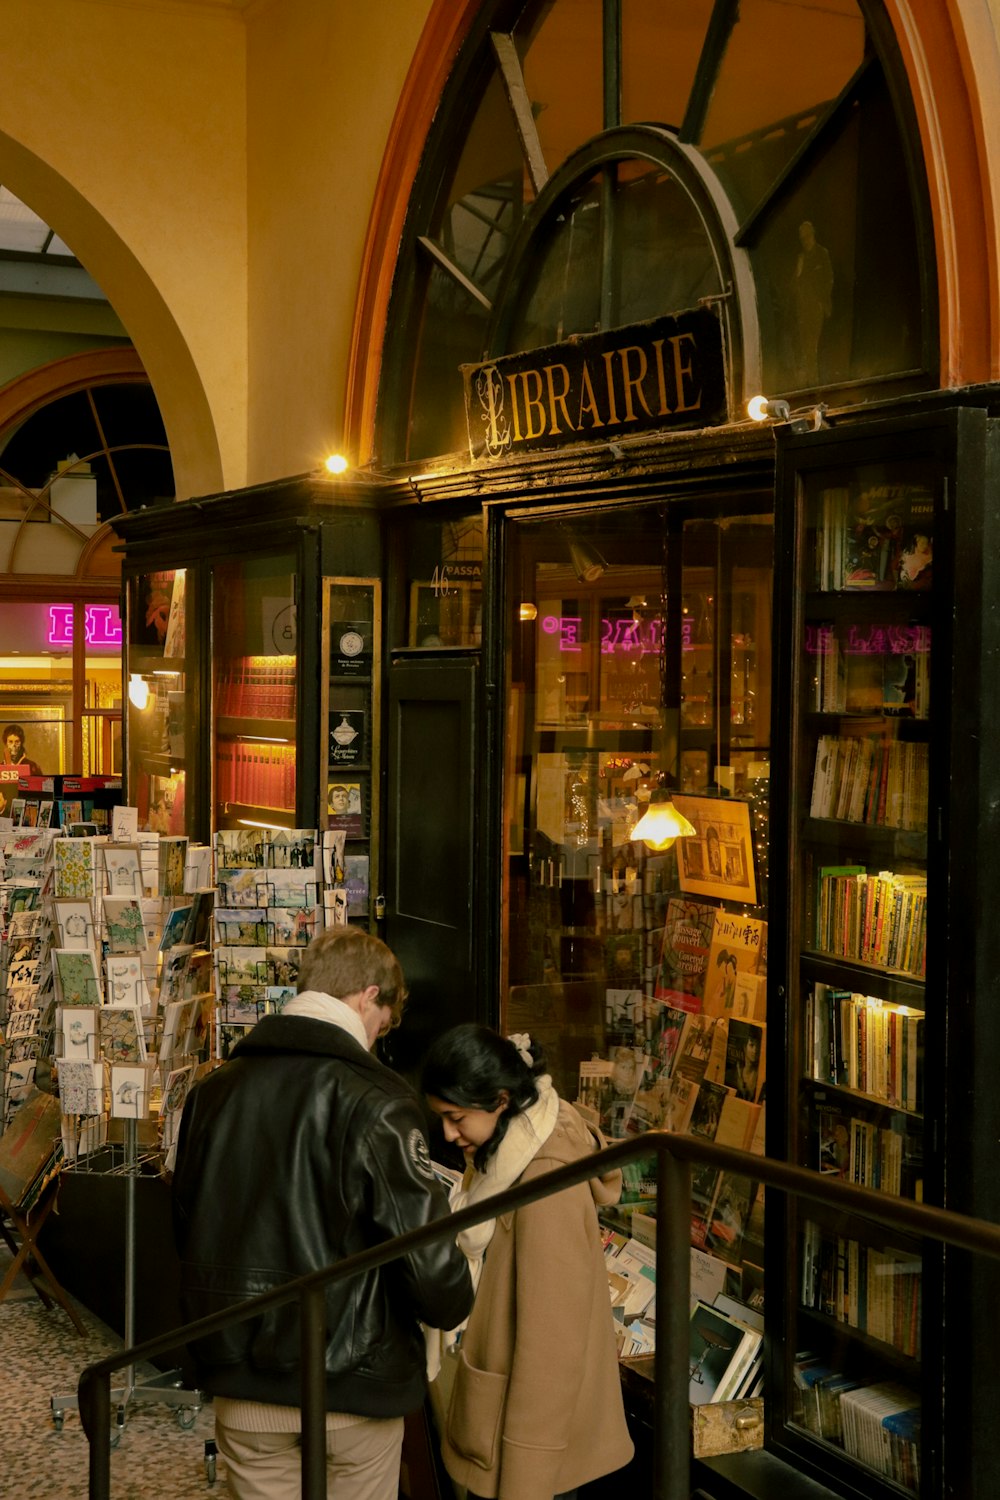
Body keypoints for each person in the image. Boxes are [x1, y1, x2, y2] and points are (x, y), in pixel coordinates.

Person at [171, 927, 474, 1500]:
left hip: (241, 1376)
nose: (379, 1035)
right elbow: (429, 1264)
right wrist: (454, 1300)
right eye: (385, 1020)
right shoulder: (378, 1100)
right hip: (353, 1385)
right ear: (368, 997)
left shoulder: (213, 1093)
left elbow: (189, 1224)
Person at [421, 1025, 634, 1500]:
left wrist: (525, 1482)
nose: (448, 1134)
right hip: (510, 1433)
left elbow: (550, 1347)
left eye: (456, 1117)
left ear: (500, 1100)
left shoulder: (542, 1180)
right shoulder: (509, 1150)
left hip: (529, 1457)